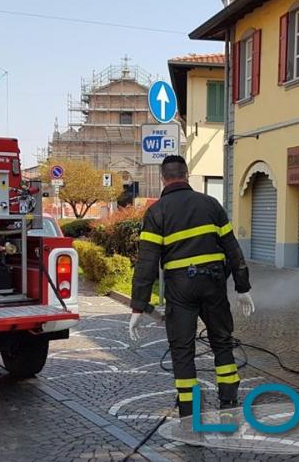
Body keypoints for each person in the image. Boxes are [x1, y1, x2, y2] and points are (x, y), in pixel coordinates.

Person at [129, 155, 254, 418]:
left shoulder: (156, 212)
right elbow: (233, 249)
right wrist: (242, 287)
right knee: (222, 342)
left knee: (183, 349)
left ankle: (188, 411)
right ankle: (229, 402)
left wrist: (138, 306)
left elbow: (147, 262)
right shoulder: (211, 204)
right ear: (186, 175)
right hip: (213, 284)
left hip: (180, 289)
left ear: (163, 178)